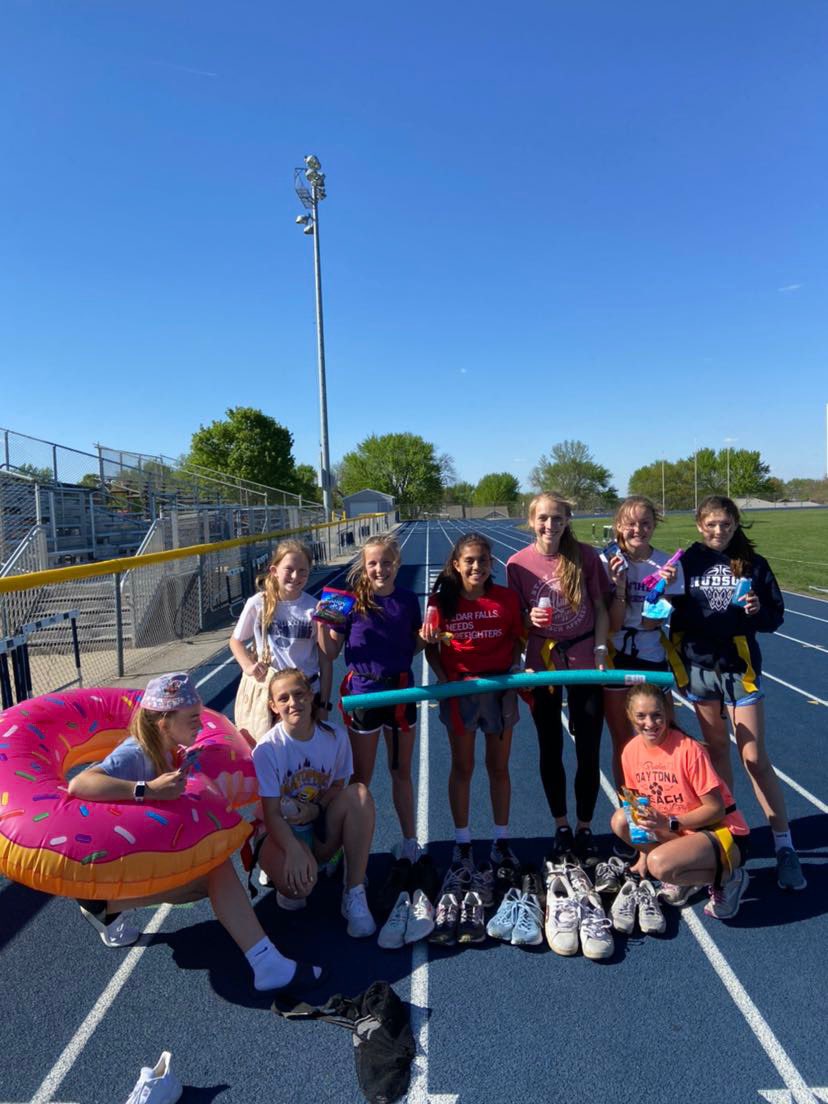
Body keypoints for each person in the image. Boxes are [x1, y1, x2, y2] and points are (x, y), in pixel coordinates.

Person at [67, 672, 322, 993]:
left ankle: (104, 907)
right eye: (191, 719)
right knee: (214, 868)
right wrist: (148, 790)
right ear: (163, 721)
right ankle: (265, 961)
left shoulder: (170, 748)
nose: (200, 726)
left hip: (135, 854)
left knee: (206, 882)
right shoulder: (137, 753)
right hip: (111, 860)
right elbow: (80, 784)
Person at [671, 495, 806, 891]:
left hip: (739, 669)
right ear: (699, 525)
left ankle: (784, 844)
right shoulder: (685, 563)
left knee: (754, 757)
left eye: (726, 525)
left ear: (735, 525)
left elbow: (774, 618)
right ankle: (729, 832)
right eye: (711, 524)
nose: (718, 531)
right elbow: (668, 608)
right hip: (699, 669)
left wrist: (756, 610)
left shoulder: (753, 564)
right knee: (715, 754)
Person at [506, 492, 610, 863]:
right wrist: (526, 623)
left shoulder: (585, 556)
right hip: (543, 661)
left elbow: (600, 607)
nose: (550, 525)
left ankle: (585, 826)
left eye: (558, 518)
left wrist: (599, 651)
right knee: (550, 744)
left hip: (584, 658)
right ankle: (561, 825)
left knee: (588, 748)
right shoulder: (517, 565)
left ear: (568, 519)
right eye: (543, 518)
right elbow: (513, 618)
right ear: (531, 520)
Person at [421, 532, 524, 873]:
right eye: (470, 560)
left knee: (499, 767)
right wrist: (443, 675)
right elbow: (430, 647)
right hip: (461, 693)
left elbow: (518, 638)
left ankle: (501, 840)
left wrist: (515, 665)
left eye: (483, 560)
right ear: (456, 564)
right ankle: (463, 843)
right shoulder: (439, 601)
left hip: (500, 690)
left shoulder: (506, 599)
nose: (477, 566)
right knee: (463, 767)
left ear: (491, 563)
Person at [321, 534, 423, 863]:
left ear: (398, 564)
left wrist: (428, 639)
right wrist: (322, 626)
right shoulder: (350, 602)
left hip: (402, 692)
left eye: (387, 562)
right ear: (364, 567)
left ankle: (409, 842)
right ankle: (350, 850)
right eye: (373, 563)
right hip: (364, 695)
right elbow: (332, 651)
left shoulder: (408, 600)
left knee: (402, 772)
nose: (380, 568)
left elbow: (414, 645)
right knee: (361, 778)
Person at [253, 668, 377, 938]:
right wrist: (293, 850)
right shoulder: (266, 750)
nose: (293, 703)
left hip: (319, 827)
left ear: (311, 696)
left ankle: (353, 890)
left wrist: (316, 809)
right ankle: (289, 869)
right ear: (273, 706)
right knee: (298, 892)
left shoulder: (335, 736)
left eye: (299, 694)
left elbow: (336, 788)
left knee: (360, 795)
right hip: (281, 833)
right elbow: (271, 814)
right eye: (283, 698)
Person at [611, 683, 751, 919]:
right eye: (641, 716)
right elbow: (637, 805)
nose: (650, 723)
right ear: (629, 716)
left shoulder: (688, 750)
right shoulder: (631, 751)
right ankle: (683, 869)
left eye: (657, 715)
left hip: (720, 831)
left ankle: (730, 877)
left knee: (660, 866)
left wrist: (670, 823)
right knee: (621, 820)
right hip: (679, 831)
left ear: (667, 712)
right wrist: (642, 854)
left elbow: (716, 809)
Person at [600, 495, 684, 790]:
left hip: (650, 653)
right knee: (623, 742)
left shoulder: (667, 564)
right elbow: (613, 624)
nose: (638, 530)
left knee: (661, 736)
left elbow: (652, 622)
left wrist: (664, 588)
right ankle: (630, 810)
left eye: (645, 523)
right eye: (630, 524)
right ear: (618, 526)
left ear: (654, 525)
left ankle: (664, 802)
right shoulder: (606, 561)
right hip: (615, 654)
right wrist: (619, 586)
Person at [229, 539, 333, 739]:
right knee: (267, 755)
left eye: (303, 571)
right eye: (289, 569)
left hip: (306, 695)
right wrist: (248, 666)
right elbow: (236, 640)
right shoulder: (258, 603)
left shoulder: (314, 607)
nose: (296, 576)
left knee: (305, 756)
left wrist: (324, 703)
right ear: (274, 570)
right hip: (271, 697)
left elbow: (325, 660)